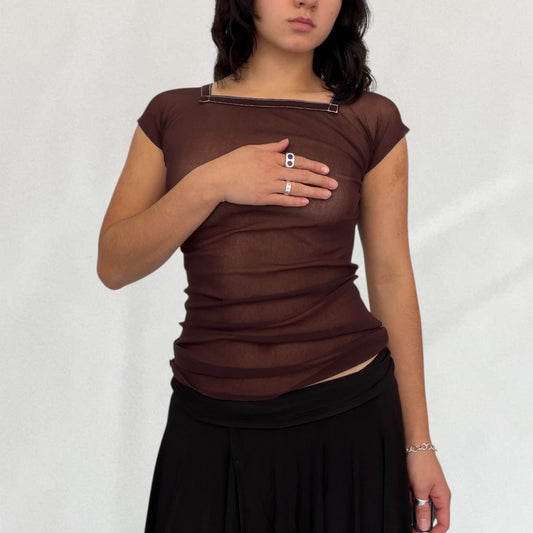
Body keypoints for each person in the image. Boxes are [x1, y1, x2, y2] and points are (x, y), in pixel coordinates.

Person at [97, 0, 451, 531]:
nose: (307, 1)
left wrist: (418, 444)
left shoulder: (370, 119)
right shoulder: (172, 114)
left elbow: (392, 277)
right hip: (207, 421)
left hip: (348, 417)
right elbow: (114, 264)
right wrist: (211, 183)